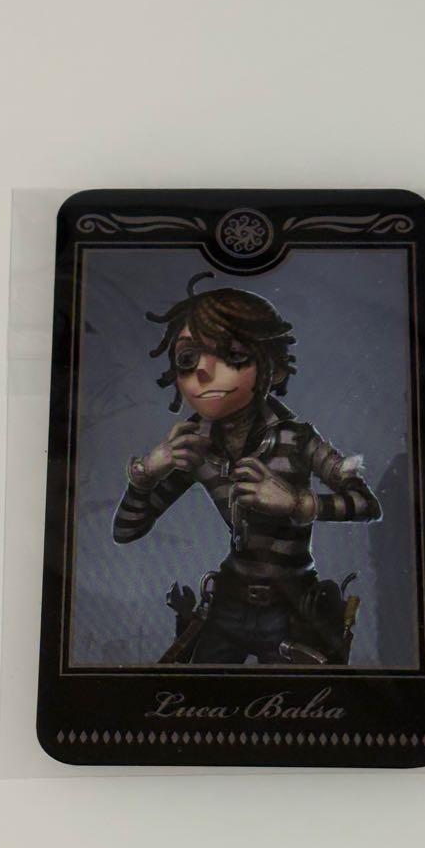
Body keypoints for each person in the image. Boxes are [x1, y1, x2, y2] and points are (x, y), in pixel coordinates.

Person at [112, 272, 381, 664]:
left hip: (291, 608)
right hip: (227, 603)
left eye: (232, 354)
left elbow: (366, 503)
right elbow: (126, 531)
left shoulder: (299, 439)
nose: (203, 372)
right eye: (187, 359)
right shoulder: (194, 445)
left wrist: (298, 503)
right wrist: (145, 474)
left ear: (275, 368)